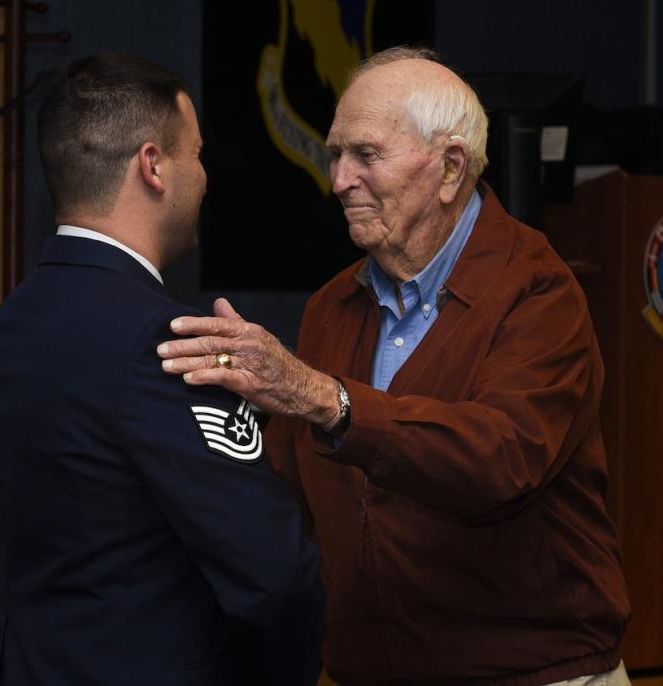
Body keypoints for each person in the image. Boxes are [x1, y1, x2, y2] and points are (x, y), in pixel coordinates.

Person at [157, 47, 631, 686]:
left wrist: (326, 399)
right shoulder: (332, 305)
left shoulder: (538, 292)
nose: (339, 180)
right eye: (335, 155)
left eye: (366, 156)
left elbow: (500, 460)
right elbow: (291, 494)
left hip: (531, 674)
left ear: (448, 169)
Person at [0, 53, 324, 686]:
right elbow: (275, 574)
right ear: (153, 166)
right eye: (198, 153)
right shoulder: (164, 341)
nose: (206, 177)